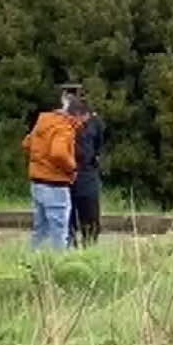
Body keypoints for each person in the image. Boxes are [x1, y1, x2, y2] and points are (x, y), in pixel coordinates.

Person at [22, 97, 86, 250]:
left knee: (41, 229)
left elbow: (26, 144)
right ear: (76, 115)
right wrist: (72, 168)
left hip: (37, 182)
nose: (82, 125)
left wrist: (40, 161)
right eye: (83, 120)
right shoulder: (64, 127)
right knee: (59, 230)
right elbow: (58, 153)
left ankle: (33, 263)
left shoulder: (43, 122)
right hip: (55, 184)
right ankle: (58, 265)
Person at [68, 101, 103, 248]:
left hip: (88, 174)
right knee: (68, 217)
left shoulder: (95, 124)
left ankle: (90, 247)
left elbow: (99, 145)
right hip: (68, 174)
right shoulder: (65, 126)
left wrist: (95, 158)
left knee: (90, 217)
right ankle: (71, 245)